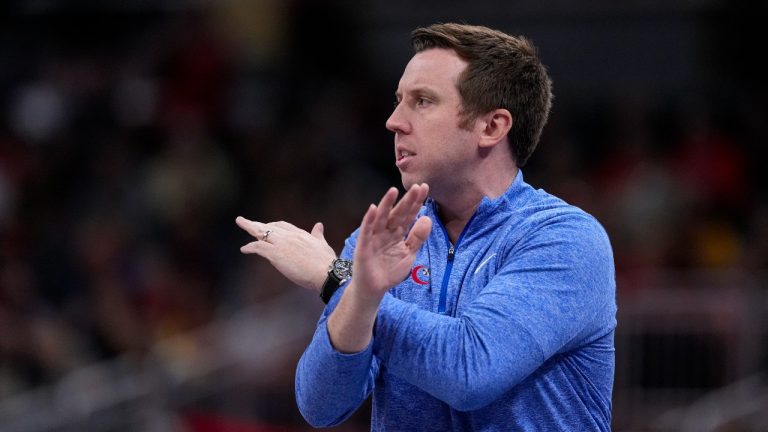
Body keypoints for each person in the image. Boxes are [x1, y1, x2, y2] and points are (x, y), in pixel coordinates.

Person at [236, 23, 616, 431]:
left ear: (492, 127)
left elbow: (470, 370)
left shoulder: (565, 239)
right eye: (398, 100)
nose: (393, 121)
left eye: (422, 101)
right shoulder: (381, 238)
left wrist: (336, 280)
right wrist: (357, 292)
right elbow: (321, 403)